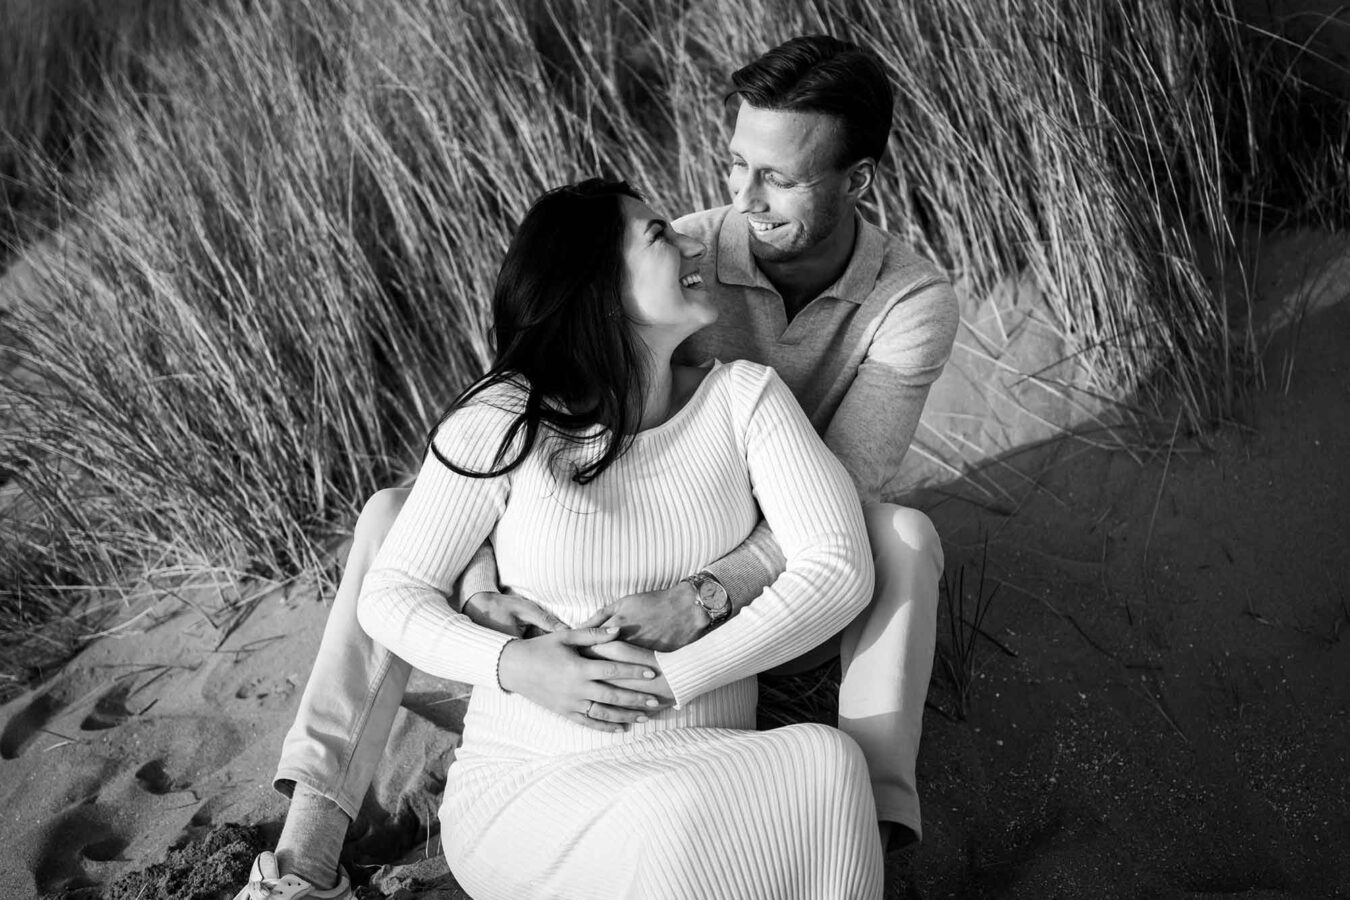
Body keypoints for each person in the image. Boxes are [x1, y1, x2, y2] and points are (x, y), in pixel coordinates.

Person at [237, 33, 957, 900]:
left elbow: (838, 513)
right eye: (736, 165)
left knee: (899, 540)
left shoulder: (904, 304)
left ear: (857, 180)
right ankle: (309, 843)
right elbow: (536, 396)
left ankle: (871, 827)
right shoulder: (691, 252)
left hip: (755, 587)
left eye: (778, 177)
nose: (740, 200)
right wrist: (484, 593)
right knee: (397, 519)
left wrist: (698, 603)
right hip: (557, 670)